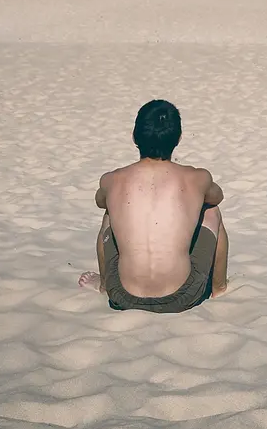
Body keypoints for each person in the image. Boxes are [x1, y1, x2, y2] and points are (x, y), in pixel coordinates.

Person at [79, 100, 229, 313]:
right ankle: (219, 288)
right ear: (178, 138)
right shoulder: (197, 177)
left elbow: (99, 201)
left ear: (134, 137)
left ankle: (104, 285)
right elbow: (217, 197)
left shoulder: (112, 179)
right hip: (182, 297)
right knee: (211, 210)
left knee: (109, 214)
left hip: (122, 296)